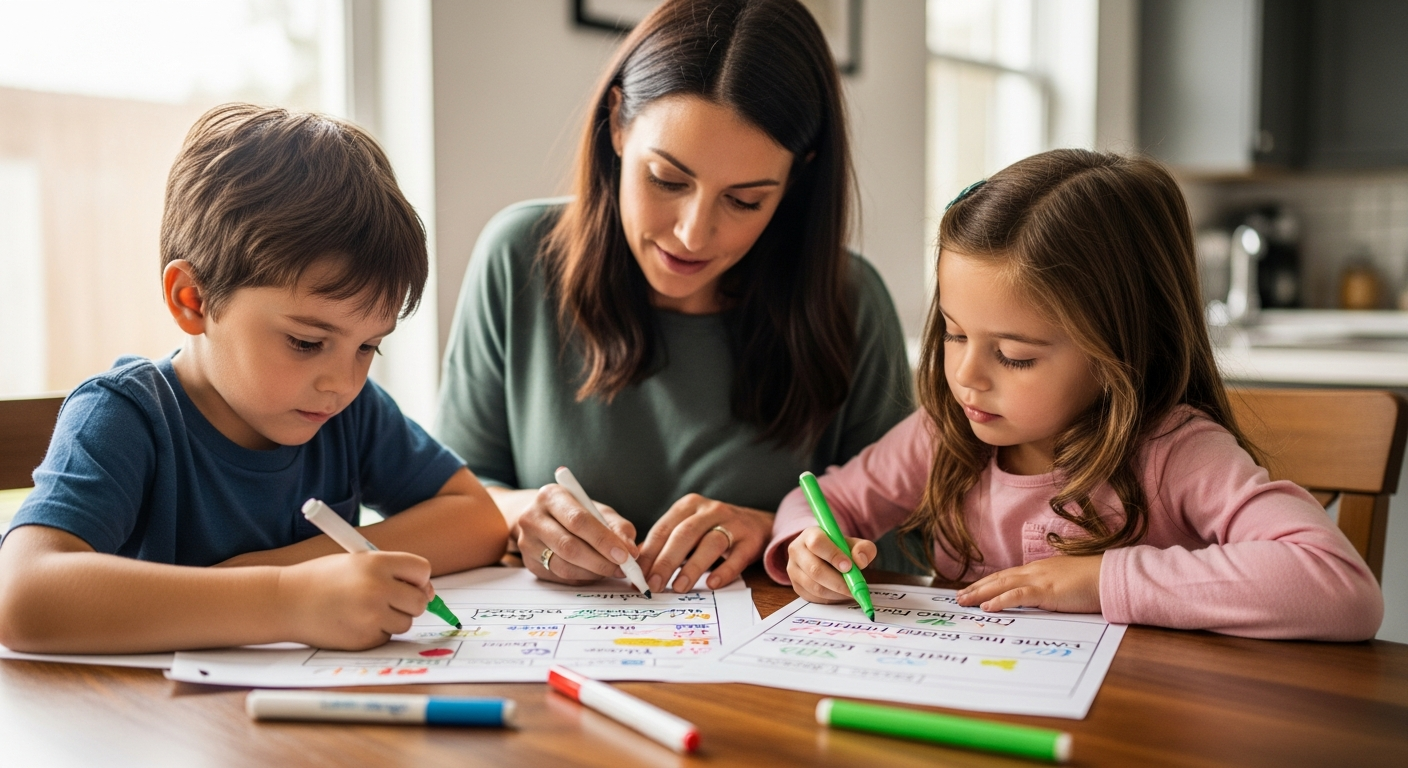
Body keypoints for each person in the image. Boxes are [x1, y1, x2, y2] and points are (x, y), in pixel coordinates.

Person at [769, 149, 1384, 641]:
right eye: (955, 334)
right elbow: (824, 501)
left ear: (1118, 347)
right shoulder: (945, 435)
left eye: (1015, 355)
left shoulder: (1175, 452)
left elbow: (1338, 585)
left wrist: (1101, 581)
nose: (967, 377)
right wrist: (809, 547)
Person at [435, 0, 914, 596]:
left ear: (797, 180)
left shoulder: (849, 303)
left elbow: (906, 540)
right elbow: (450, 496)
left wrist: (778, 532)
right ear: (616, 123)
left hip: (766, 674)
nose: (692, 233)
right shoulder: (518, 258)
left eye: (745, 201)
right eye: (666, 180)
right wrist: (522, 515)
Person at [0, 104, 508, 654]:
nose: (342, 381)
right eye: (306, 343)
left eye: (368, 346)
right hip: (154, 727)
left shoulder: (347, 414)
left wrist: (285, 568)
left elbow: (477, 520)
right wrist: (286, 597)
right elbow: (22, 595)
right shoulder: (126, 417)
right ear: (192, 301)